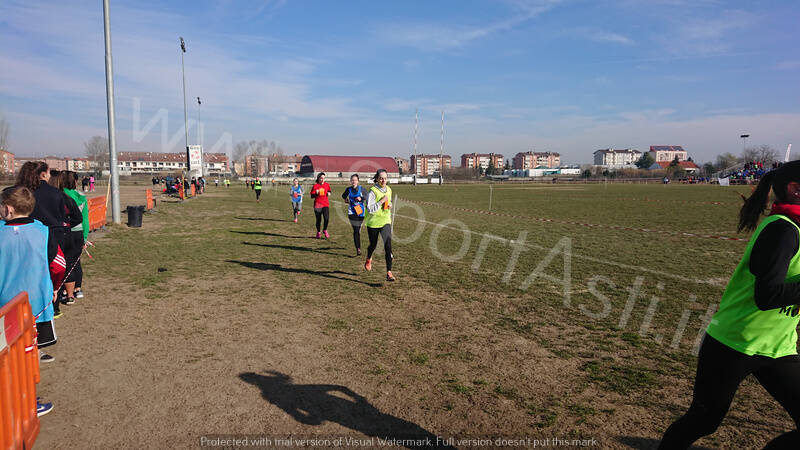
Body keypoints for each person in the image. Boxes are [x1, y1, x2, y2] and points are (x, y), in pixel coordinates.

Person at [659, 161, 800, 449]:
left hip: (778, 348)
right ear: (795, 189)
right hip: (734, 344)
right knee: (703, 421)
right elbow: (768, 295)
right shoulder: (782, 230)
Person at [0, 186, 58, 416]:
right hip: (33, 306)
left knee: (11, 357)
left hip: (6, 307)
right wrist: (54, 286)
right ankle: (24, 401)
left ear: (8, 208)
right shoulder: (43, 232)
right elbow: (58, 263)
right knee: (26, 355)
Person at [17, 162, 70, 320]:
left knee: (32, 269)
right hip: (50, 233)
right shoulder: (54, 193)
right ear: (43, 174)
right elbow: (63, 215)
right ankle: (53, 305)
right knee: (53, 267)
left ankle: (32, 304)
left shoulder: (20, 192)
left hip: (28, 234)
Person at [61, 171, 89, 302]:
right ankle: (78, 288)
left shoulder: (61, 195)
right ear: (75, 182)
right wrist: (84, 236)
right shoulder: (81, 196)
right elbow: (85, 219)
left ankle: (68, 290)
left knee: (67, 262)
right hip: (79, 232)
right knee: (76, 261)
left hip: (67, 231)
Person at [364, 169, 395, 281]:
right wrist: (381, 201)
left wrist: (389, 204)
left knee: (388, 246)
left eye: (385, 178)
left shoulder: (389, 190)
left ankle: (389, 273)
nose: (383, 180)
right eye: (381, 178)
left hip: (385, 221)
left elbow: (388, 202)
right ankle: (368, 258)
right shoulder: (372, 191)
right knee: (373, 244)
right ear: (377, 179)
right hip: (373, 222)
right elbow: (370, 209)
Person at [341, 174, 366, 256]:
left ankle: (358, 233)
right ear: (350, 181)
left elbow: (368, 196)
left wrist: (361, 199)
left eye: (355, 180)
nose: (353, 181)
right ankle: (358, 248)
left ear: (358, 181)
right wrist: (346, 199)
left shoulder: (362, 189)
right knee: (356, 230)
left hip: (360, 212)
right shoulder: (348, 189)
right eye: (352, 180)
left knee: (357, 230)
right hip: (352, 212)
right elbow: (343, 195)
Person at [310, 172, 332, 239]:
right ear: (318, 178)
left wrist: (329, 193)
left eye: (324, 178)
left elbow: (329, 191)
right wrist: (316, 193)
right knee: (318, 220)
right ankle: (318, 232)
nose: (322, 180)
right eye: (321, 178)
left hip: (325, 204)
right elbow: (312, 196)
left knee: (326, 218)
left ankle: (325, 230)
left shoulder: (327, 185)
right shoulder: (315, 186)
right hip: (318, 205)